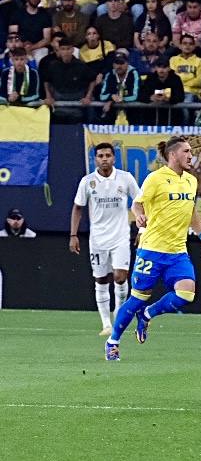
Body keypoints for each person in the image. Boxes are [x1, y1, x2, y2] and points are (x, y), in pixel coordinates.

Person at [104, 136, 201, 361]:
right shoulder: (155, 178)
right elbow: (137, 203)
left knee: (186, 294)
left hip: (177, 251)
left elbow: (191, 212)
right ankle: (113, 341)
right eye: (186, 152)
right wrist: (139, 216)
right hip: (152, 249)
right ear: (173, 155)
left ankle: (147, 314)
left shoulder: (191, 181)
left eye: (191, 152)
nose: (191, 155)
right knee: (137, 298)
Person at [70, 143, 141, 336]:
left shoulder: (125, 178)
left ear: (114, 158)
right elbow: (78, 207)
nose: (104, 159)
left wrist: (141, 228)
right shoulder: (87, 181)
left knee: (120, 276)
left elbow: (140, 202)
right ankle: (105, 323)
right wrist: (73, 235)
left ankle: (119, 317)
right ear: (95, 159)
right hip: (98, 238)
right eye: (100, 156)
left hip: (120, 236)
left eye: (108, 155)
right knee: (101, 279)